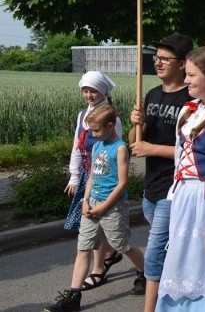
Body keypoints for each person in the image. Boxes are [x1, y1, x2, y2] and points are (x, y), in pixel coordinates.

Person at [44, 106, 145, 312]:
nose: (93, 134)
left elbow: (122, 183)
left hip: (113, 207)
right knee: (83, 248)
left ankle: (144, 273)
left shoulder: (120, 148)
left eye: (96, 130)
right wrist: (86, 200)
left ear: (110, 126)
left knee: (122, 245)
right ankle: (73, 295)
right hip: (92, 205)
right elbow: (91, 176)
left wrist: (104, 207)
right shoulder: (97, 146)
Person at [155, 46, 205, 311]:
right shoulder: (188, 111)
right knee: (180, 257)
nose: (185, 80)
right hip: (184, 195)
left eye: (191, 75)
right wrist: (174, 192)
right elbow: (179, 158)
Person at [128, 32, 193, 307]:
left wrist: (151, 149)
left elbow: (192, 151)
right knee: (170, 249)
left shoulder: (189, 99)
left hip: (173, 188)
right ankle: (181, 293)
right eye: (157, 57)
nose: (159, 62)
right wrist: (135, 123)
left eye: (166, 58)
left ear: (182, 63)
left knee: (154, 253)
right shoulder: (152, 93)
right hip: (151, 189)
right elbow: (134, 143)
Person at [64, 71, 123, 292]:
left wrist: (109, 178)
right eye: (86, 90)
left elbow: (116, 148)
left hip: (103, 175)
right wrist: (74, 175)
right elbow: (77, 147)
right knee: (91, 223)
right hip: (88, 174)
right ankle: (109, 255)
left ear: (103, 91)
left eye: (94, 90)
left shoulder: (111, 117)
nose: (89, 95)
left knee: (97, 224)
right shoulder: (83, 115)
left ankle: (99, 269)